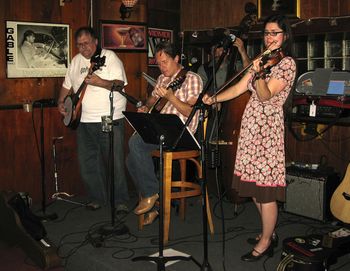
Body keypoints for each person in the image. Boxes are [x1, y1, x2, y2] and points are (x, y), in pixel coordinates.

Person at [203, 14, 296, 262]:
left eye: (275, 33)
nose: (270, 37)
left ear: (284, 36)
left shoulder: (286, 64)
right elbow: (240, 87)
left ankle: (266, 241)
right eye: (267, 33)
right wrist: (215, 98)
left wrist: (260, 75)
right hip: (250, 131)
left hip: (266, 133)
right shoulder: (262, 59)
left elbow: (265, 96)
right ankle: (269, 232)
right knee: (254, 189)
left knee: (265, 192)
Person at [126, 41, 203, 225]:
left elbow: (190, 112)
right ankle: (155, 202)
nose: (161, 67)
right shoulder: (161, 79)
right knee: (130, 159)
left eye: (165, 62)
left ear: (176, 58)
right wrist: (147, 107)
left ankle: (152, 195)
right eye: (158, 63)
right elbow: (152, 101)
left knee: (136, 144)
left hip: (183, 136)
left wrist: (171, 97)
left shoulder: (192, 78)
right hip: (162, 132)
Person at [57, 27, 129, 214]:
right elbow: (67, 86)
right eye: (79, 45)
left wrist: (100, 82)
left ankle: (120, 201)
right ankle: (98, 197)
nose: (83, 48)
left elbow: (120, 84)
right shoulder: (75, 61)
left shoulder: (109, 57)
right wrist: (61, 102)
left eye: (86, 43)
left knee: (114, 161)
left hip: (109, 117)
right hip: (83, 119)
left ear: (95, 41)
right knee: (88, 162)